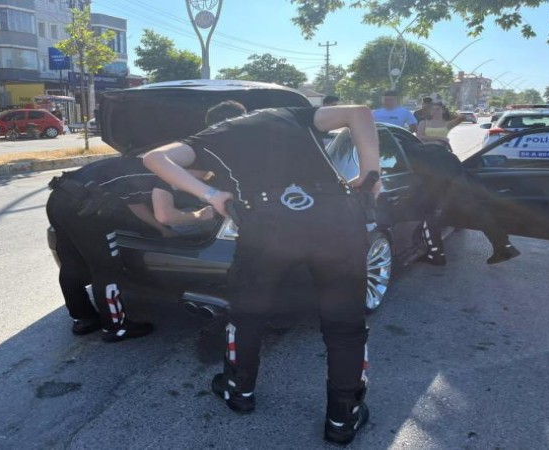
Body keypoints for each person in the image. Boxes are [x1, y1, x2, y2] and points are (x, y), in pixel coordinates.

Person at [144, 101, 381, 445]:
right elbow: (359, 111)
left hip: (268, 223)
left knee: (246, 315)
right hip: (336, 217)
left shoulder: (210, 138)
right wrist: (371, 175)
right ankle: (342, 419)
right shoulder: (288, 113)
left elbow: (155, 158)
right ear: (245, 111)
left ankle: (239, 391)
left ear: (213, 122)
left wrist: (213, 195)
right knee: (345, 325)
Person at [46, 156, 214, 341]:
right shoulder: (165, 175)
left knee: (71, 263)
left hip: (59, 199)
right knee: (106, 269)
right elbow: (166, 215)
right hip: (86, 211)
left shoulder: (142, 164)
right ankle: (116, 328)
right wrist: (200, 215)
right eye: (201, 176)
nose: (199, 182)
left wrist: (160, 230)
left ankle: (83, 319)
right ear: (182, 168)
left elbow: (135, 203)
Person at [403, 142, 521, 266]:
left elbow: (426, 179)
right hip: (464, 192)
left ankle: (436, 255)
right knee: (482, 217)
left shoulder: (415, 157)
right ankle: (505, 246)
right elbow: (463, 174)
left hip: (442, 193)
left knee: (429, 220)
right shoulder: (449, 156)